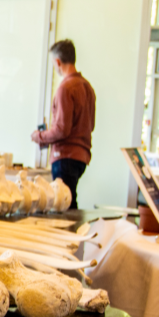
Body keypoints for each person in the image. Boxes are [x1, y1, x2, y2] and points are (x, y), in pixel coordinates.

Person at [31, 39, 96, 210]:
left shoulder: (65, 88)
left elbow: (62, 130)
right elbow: (91, 124)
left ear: (57, 62)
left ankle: (70, 236)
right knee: (70, 200)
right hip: (82, 156)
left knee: (63, 206)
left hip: (65, 155)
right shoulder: (87, 87)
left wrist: (39, 136)